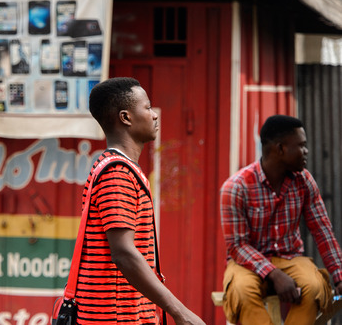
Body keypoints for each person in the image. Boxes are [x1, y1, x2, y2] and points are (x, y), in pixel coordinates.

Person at [75, 77, 206, 324]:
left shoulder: (119, 168)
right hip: (114, 317)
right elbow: (123, 252)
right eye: (147, 107)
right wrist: (180, 312)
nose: (154, 115)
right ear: (126, 118)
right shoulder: (117, 173)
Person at [220, 114, 342, 325]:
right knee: (241, 292)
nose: (306, 152)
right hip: (247, 263)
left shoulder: (304, 181)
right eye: (302, 146)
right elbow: (237, 246)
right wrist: (273, 274)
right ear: (280, 149)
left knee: (314, 288)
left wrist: (339, 275)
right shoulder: (236, 187)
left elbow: (322, 230)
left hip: (291, 257)